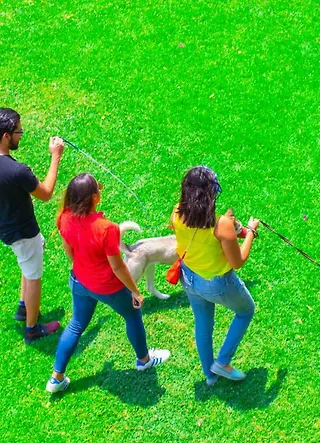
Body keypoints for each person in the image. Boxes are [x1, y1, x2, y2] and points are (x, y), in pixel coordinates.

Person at [46, 173, 170, 393]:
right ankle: (144, 360)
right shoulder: (107, 228)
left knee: (76, 325)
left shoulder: (64, 217)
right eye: (98, 188)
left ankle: (56, 378)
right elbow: (118, 267)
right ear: (94, 197)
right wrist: (135, 291)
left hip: (79, 281)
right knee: (132, 314)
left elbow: (70, 252)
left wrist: (84, 269)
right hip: (107, 287)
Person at [171, 166, 259, 386]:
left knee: (203, 325)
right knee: (246, 311)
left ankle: (210, 376)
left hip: (189, 277)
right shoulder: (221, 225)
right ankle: (222, 362)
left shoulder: (177, 212)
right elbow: (238, 261)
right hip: (217, 283)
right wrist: (251, 231)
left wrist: (227, 224)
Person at [0, 107, 64, 343]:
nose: (21, 135)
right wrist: (56, 156)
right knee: (34, 275)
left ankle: (23, 307)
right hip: (23, 232)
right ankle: (32, 329)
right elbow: (46, 193)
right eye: (18, 131)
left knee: (27, 264)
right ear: (6, 135)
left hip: (6, 229)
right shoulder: (18, 171)